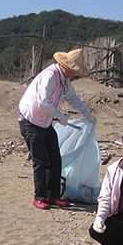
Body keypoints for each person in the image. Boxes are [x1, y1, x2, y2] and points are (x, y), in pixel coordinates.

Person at [18, 48, 98, 209]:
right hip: (31, 121)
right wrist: (60, 116)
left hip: (45, 122)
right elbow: (43, 102)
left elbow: (73, 99)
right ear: (66, 67)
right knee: (41, 161)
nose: (75, 74)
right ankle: (39, 196)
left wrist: (88, 114)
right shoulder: (50, 76)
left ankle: (52, 195)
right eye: (74, 71)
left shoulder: (65, 81)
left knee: (55, 158)